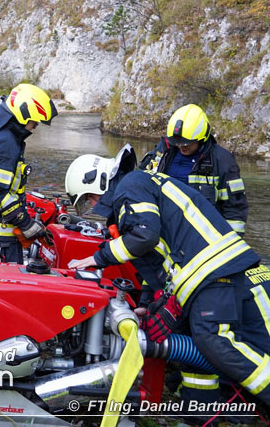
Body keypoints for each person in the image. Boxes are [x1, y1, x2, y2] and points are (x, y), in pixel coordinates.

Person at [66, 145, 270, 407]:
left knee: (213, 339)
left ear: (99, 180)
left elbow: (144, 236)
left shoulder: (131, 184)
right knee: (192, 342)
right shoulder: (134, 196)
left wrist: (98, 257)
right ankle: (199, 407)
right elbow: (154, 264)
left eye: (89, 198)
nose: (93, 206)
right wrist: (147, 306)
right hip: (200, 274)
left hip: (212, 268)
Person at [0, 84, 57, 263]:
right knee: (4, 284)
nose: (34, 128)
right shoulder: (5, 142)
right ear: (24, 115)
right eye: (35, 122)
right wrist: (25, 222)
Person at [140, 104, 248, 235]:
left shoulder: (222, 161)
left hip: (200, 236)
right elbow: (141, 185)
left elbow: (234, 209)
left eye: (187, 143)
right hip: (162, 231)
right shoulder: (163, 152)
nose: (181, 147)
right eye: (177, 142)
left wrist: (233, 244)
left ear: (202, 138)